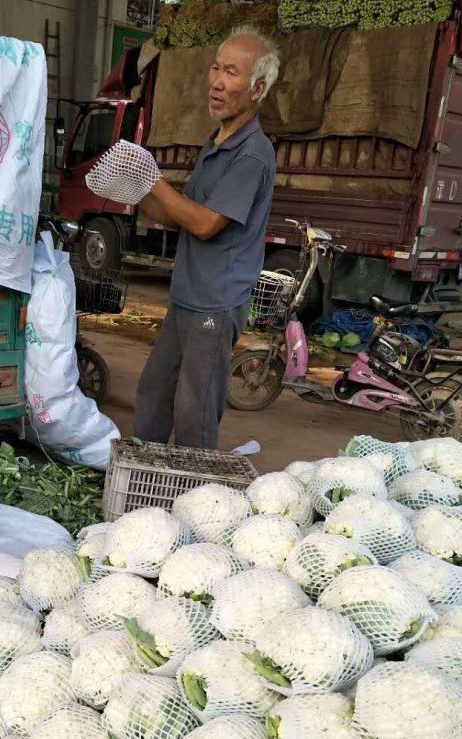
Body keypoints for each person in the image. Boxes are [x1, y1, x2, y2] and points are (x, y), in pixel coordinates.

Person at [134, 27, 279, 450]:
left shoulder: (252, 154)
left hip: (215, 302)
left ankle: (192, 500)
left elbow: (206, 223)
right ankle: (144, 483)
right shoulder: (216, 144)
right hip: (187, 296)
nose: (216, 81)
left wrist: (153, 180)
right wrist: (136, 193)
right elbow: (181, 214)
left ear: (257, 89)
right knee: (154, 394)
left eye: (231, 73)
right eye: (215, 67)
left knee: (193, 412)